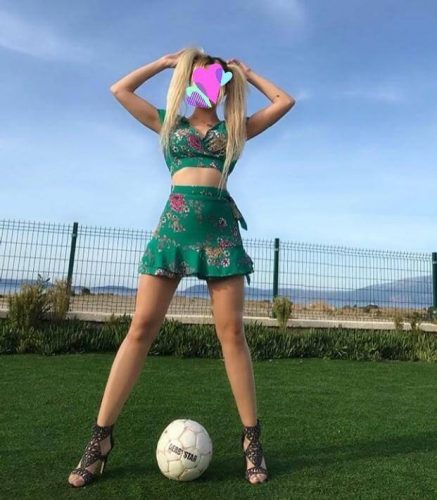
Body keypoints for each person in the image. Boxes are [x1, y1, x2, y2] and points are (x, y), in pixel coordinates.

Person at [67, 47, 295, 488]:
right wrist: (163, 63)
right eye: (198, 77)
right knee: (140, 329)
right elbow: (120, 90)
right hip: (172, 230)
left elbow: (284, 101)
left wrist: (245, 72)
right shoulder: (169, 123)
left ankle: (251, 442)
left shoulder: (235, 130)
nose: (205, 84)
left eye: (213, 78)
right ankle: (100, 440)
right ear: (188, 83)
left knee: (232, 334)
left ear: (222, 87)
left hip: (220, 234)